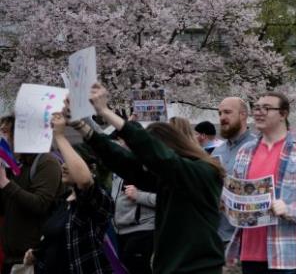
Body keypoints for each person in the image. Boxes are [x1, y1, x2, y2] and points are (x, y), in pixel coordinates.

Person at [70, 83, 226, 274]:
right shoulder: (169, 178)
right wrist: (83, 127)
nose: (147, 164)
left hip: (199, 268)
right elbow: (126, 163)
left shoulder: (202, 173)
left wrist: (105, 111)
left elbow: (159, 158)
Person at [226, 91, 296, 273]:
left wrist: (290, 209)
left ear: (283, 114)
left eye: (266, 108)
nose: (258, 112)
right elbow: (236, 193)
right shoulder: (246, 151)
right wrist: (227, 201)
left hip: (286, 253)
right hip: (249, 252)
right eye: (256, 108)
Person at [21, 112, 114, 273]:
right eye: (63, 161)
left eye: (70, 163)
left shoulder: (97, 201)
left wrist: (59, 136)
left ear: (90, 168)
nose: (63, 166)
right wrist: (37, 253)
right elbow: (56, 240)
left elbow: (84, 181)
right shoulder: (63, 201)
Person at [0, 114, 64, 273]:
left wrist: (6, 183)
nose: (3, 138)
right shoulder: (15, 165)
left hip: (33, 260)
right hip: (12, 259)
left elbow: (40, 204)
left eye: (6, 132)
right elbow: (5, 207)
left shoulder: (47, 162)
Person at [109, 128, 156, 274]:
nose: (121, 143)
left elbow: (168, 199)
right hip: (120, 230)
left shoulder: (150, 165)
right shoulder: (119, 163)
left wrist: (138, 195)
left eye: (124, 139)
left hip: (143, 230)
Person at [212, 97, 257, 244]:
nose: (222, 118)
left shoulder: (258, 148)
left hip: (245, 238)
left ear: (243, 114)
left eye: (227, 112)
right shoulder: (217, 151)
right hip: (218, 236)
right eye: (220, 113)